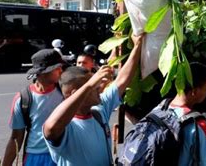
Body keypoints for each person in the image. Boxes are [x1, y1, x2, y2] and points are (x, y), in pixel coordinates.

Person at [42, 34, 143, 166]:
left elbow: (122, 80)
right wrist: (89, 85)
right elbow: (50, 128)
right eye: (94, 87)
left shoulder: (99, 112)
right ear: (76, 93)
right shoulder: (68, 127)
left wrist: (138, 45)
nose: (99, 88)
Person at [3, 49, 64, 166]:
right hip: (34, 157)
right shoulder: (23, 98)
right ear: (43, 72)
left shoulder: (65, 92)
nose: (61, 71)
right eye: (57, 68)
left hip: (61, 154)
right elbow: (16, 137)